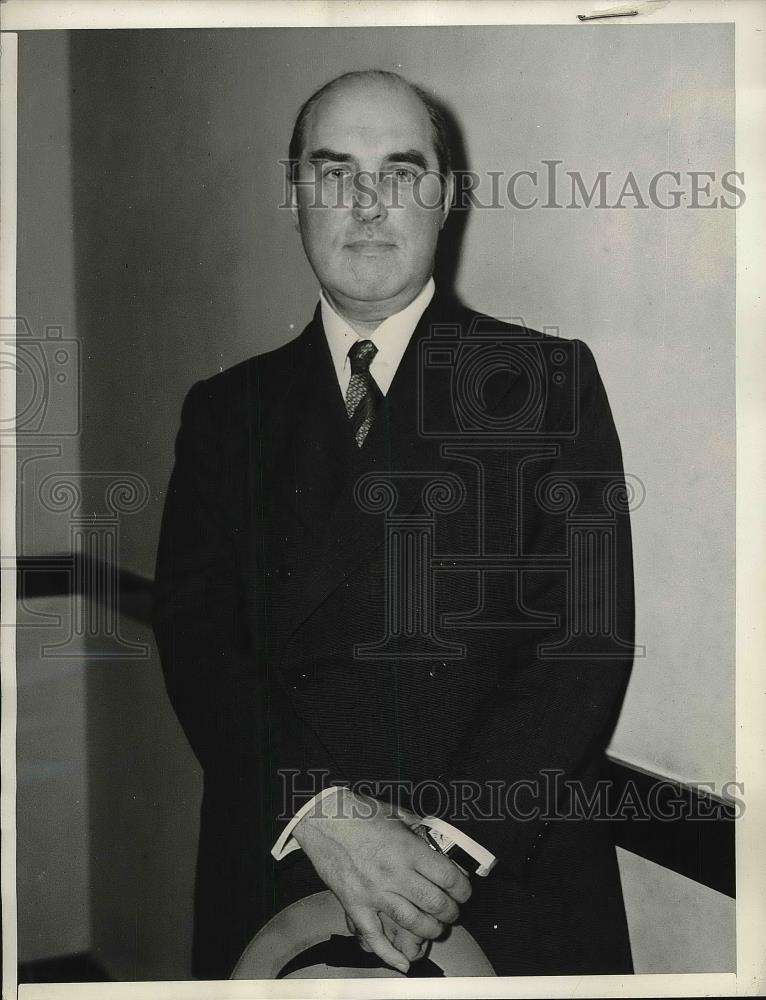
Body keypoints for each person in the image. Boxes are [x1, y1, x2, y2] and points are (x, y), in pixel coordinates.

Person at [153, 69, 636, 980]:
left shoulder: (548, 382)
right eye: (334, 173)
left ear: (446, 198)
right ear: (293, 194)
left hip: (501, 879)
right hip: (290, 857)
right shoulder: (226, 411)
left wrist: (433, 862)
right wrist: (329, 817)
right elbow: (198, 641)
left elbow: (582, 643)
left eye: (402, 171)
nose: (368, 204)